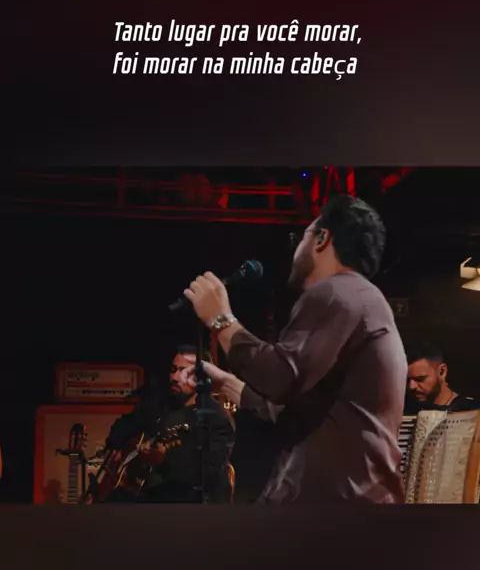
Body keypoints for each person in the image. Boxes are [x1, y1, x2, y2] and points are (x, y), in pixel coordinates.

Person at [183, 195, 408, 504]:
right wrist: (226, 383)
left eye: (301, 237)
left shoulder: (336, 291)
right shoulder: (361, 298)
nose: (296, 248)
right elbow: (288, 407)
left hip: (333, 508)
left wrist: (220, 320)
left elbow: (279, 378)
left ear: (322, 238)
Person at [104, 345, 235, 503]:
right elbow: (121, 428)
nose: (175, 377)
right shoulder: (158, 406)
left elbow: (208, 472)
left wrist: (164, 460)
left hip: (191, 505)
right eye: (173, 370)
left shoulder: (216, 419)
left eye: (184, 372)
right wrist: (126, 450)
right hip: (151, 497)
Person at [405, 341, 479, 413]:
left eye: (420, 379)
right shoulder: (405, 410)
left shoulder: (472, 411)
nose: (411, 386)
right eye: (407, 380)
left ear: (442, 372)